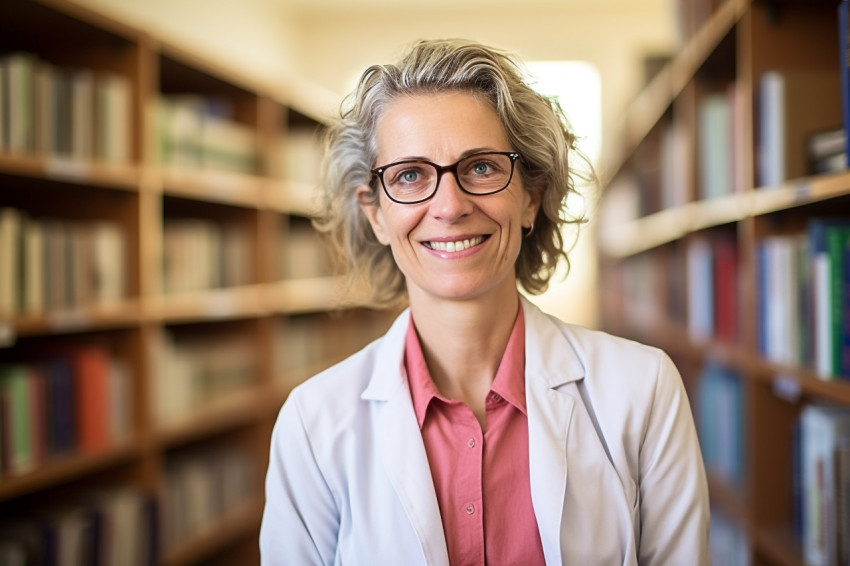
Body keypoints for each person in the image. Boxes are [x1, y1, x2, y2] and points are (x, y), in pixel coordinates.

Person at [260, 38, 709, 565]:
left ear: (530, 198)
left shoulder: (643, 390)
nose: (449, 206)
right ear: (376, 214)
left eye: (481, 168)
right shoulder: (314, 424)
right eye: (410, 175)